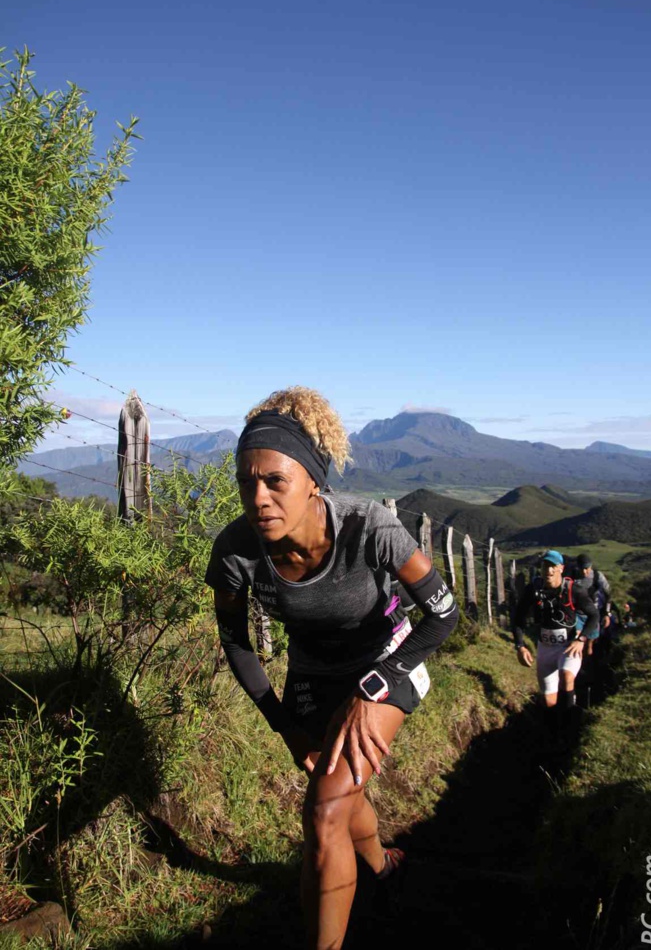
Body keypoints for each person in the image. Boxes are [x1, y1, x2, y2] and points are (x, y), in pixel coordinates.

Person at [205, 387, 459, 950]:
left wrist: (377, 686)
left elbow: (443, 613)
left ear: (313, 479)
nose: (259, 497)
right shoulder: (236, 550)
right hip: (312, 675)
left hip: (387, 662)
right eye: (247, 481)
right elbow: (235, 641)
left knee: (322, 812)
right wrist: (283, 723)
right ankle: (384, 867)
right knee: (338, 795)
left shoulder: (369, 528)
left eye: (276, 480)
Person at [512, 550, 600, 724]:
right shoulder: (534, 590)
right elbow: (518, 618)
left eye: (553, 566)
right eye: (545, 566)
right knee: (548, 701)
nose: (548, 571)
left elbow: (594, 615)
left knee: (566, 676)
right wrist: (520, 646)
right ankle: (553, 731)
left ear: (561, 568)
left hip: (568, 646)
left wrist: (581, 640)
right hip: (545, 647)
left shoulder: (574, 590)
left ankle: (570, 726)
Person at [573, 553, 612, 658]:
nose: (585, 571)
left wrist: (607, 613)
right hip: (577, 613)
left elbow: (608, 594)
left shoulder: (597, 576)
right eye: (582, 568)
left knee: (590, 642)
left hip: (593, 613)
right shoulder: (572, 576)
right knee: (578, 640)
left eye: (587, 568)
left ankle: (589, 664)